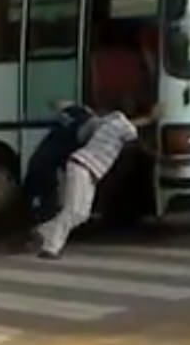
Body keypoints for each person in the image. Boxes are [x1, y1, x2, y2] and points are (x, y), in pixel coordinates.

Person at [33, 110, 140, 260]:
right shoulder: (122, 124)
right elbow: (134, 135)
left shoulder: (109, 121)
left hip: (87, 171)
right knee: (73, 210)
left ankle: (44, 230)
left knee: (82, 214)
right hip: (83, 168)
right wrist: (151, 118)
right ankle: (50, 248)